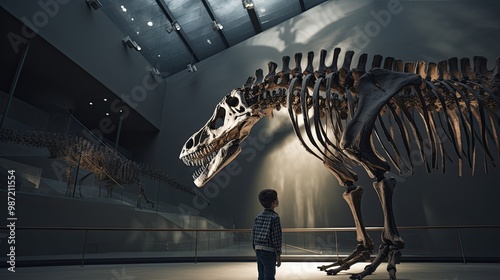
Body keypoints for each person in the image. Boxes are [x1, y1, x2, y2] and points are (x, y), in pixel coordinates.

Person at [252, 189, 282, 280]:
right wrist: (278, 254)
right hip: (269, 252)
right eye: (277, 198)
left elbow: (253, 234)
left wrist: (255, 247)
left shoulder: (258, 217)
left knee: (261, 276)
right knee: (269, 276)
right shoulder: (275, 218)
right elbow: (276, 237)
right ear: (274, 203)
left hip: (258, 250)